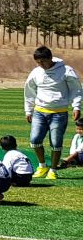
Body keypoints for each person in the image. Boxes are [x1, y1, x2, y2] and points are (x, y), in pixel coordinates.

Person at [23, 45, 81, 179]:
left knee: (56, 143)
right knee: (35, 139)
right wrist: (28, 110)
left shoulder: (66, 71)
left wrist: (76, 106)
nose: (41, 65)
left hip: (59, 113)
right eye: (38, 62)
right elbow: (29, 92)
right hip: (40, 111)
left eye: (43, 61)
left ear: (50, 58)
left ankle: (53, 170)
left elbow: (76, 89)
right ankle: (42, 166)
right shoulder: (36, 72)